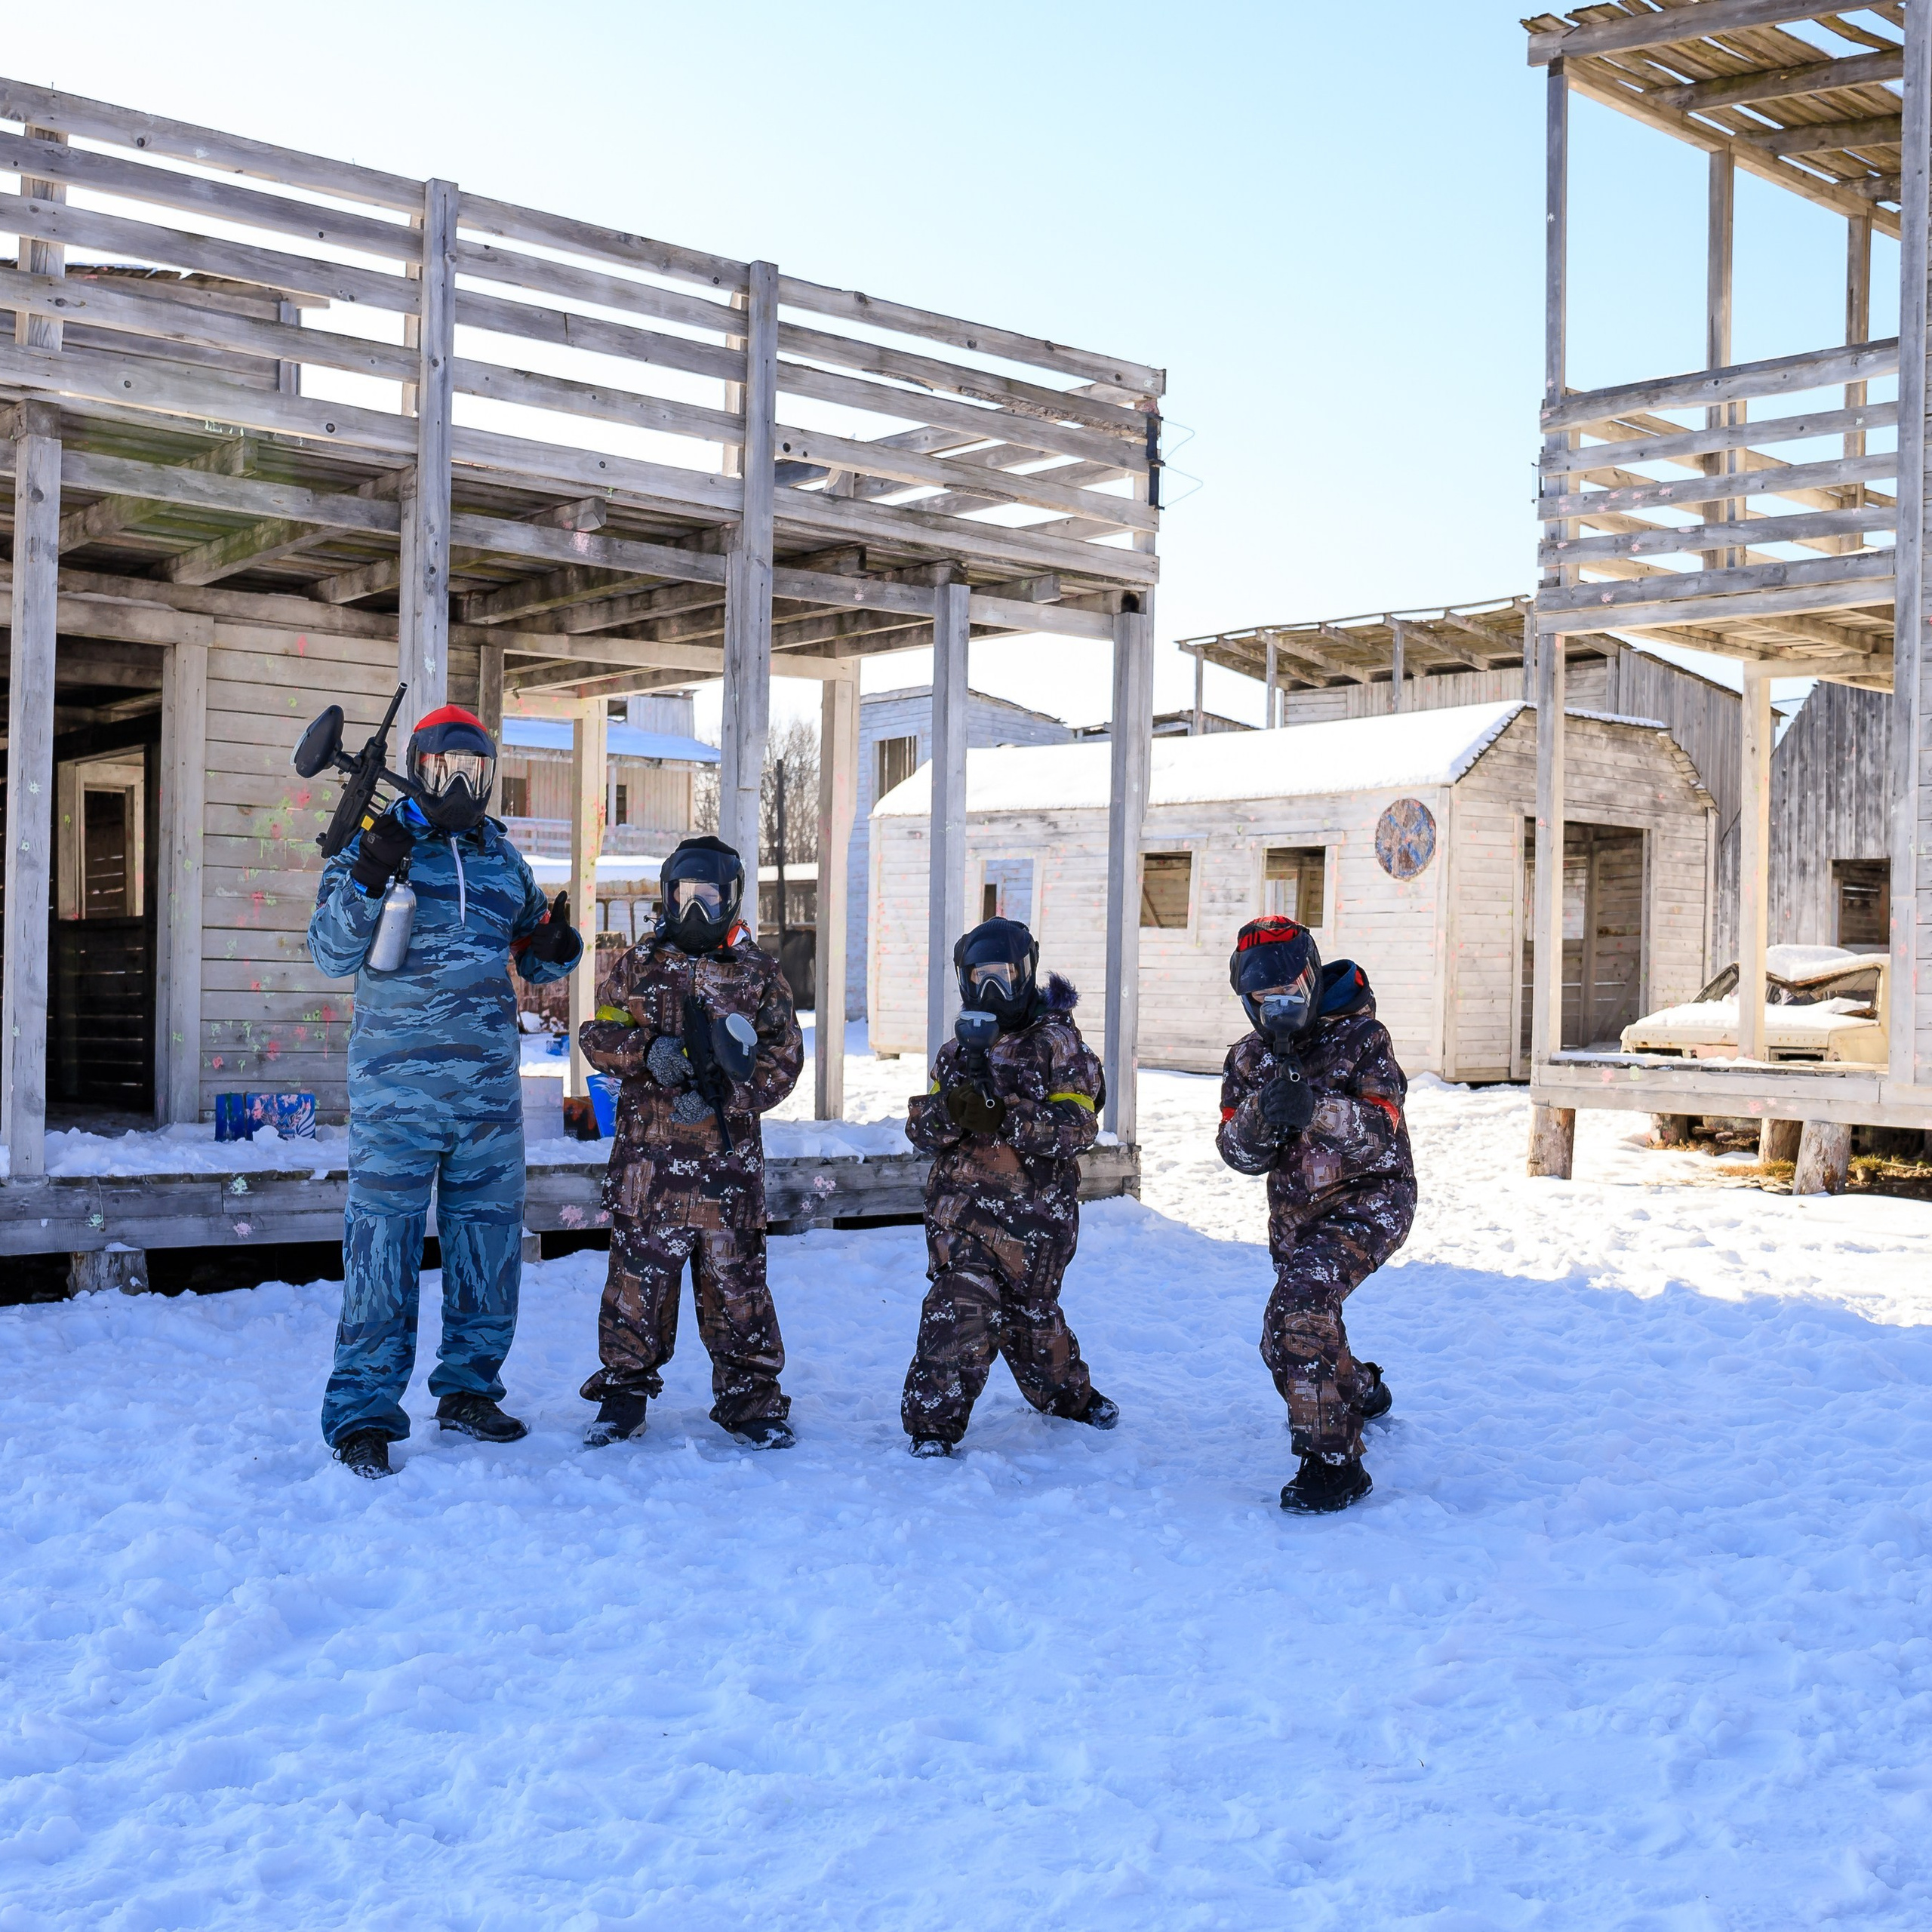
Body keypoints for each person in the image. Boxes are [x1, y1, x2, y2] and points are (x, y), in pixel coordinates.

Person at [309, 704, 582, 1479]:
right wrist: (367, 873)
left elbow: (534, 952)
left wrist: (559, 950)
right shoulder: (379, 845)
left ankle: (468, 1390)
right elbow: (329, 951)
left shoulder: (501, 861)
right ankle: (362, 1413)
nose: (459, 783)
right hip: (397, 1098)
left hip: (488, 1100)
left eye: (474, 769)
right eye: (443, 769)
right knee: (380, 1253)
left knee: (487, 1248)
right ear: (420, 766)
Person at [574, 835, 804, 1450]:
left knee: (739, 1292)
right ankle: (624, 1393)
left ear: (731, 899)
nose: (698, 909)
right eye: (686, 895)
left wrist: (728, 1096)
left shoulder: (759, 976)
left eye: (711, 897)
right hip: (648, 1175)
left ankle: (750, 1401)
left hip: (727, 1176)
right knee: (635, 1291)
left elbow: (785, 1061)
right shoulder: (636, 965)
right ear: (667, 897)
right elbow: (597, 1034)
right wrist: (646, 1052)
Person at [1216, 916, 1415, 1513]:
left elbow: (1382, 1133)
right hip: (1298, 1217)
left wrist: (1317, 1110)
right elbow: (1237, 1154)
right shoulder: (1248, 1059)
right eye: (1264, 1000)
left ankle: (1334, 1463)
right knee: (1283, 1340)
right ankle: (1358, 1389)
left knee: (1302, 1310)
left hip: (1370, 1200)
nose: (1277, 1009)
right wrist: (1260, 1117)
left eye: (1289, 995)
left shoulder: (1362, 1040)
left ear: (1310, 982)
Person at [901, 916, 1118, 1456]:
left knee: (1033, 1327)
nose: (992, 990)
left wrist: (1008, 1117)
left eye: (1003, 975)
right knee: (960, 1306)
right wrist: (952, 1110)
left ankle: (1070, 1395)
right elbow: (922, 1130)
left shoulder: (1057, 1045)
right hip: (964, 1218)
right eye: (980, 978)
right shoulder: (956, 1052)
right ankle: (932, 1426)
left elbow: (1078, 1127)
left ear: (1027, 973)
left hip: (1035, 1225)